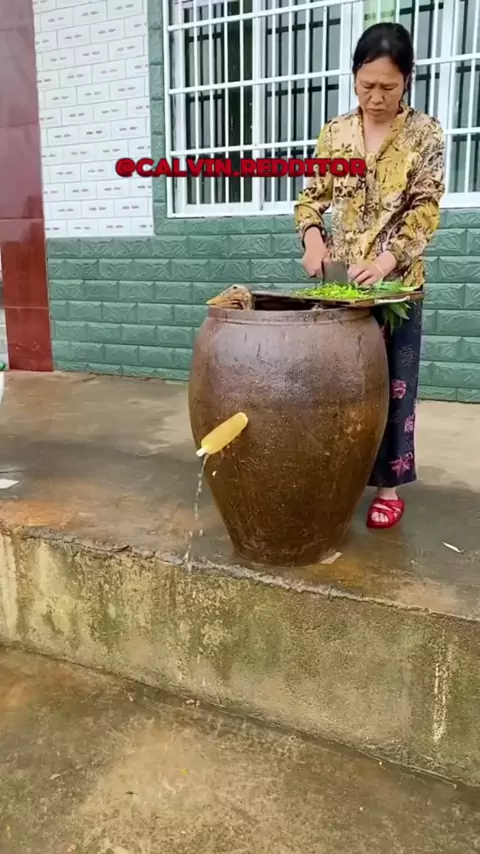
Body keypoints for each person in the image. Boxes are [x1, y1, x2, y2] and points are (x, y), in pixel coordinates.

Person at [294, 21, 445, 530]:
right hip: (340, 287)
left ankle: (387, 486)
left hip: (396, 286)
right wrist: (313, 240)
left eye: (388, 87)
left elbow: (425, 209)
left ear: (407, 81)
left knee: (393, 388)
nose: (376, 98)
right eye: (366, 85)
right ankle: (337, 474)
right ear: (354, 77)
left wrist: (385, 262)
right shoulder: (335, 133)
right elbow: (311, 199)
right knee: (334, 387)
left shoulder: (425, 135)